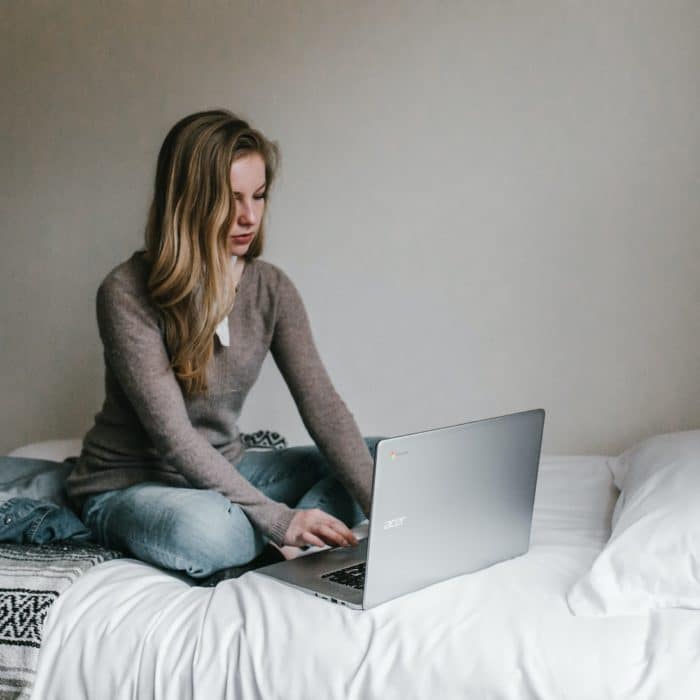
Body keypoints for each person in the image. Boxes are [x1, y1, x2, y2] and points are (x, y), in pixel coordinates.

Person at [65, 109, 382, 581]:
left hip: (228, 469)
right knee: (210, 533)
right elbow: (174, 440)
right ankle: (286, 533)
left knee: (377, 457)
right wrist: (279, 518)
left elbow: (324, 407)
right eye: (229, 200)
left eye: (258, 196)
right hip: (133, 484)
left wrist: (389, 511)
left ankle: (308, 540)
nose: (249, 216)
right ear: (189, 201)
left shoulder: (271, 288)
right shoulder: (125, 292)